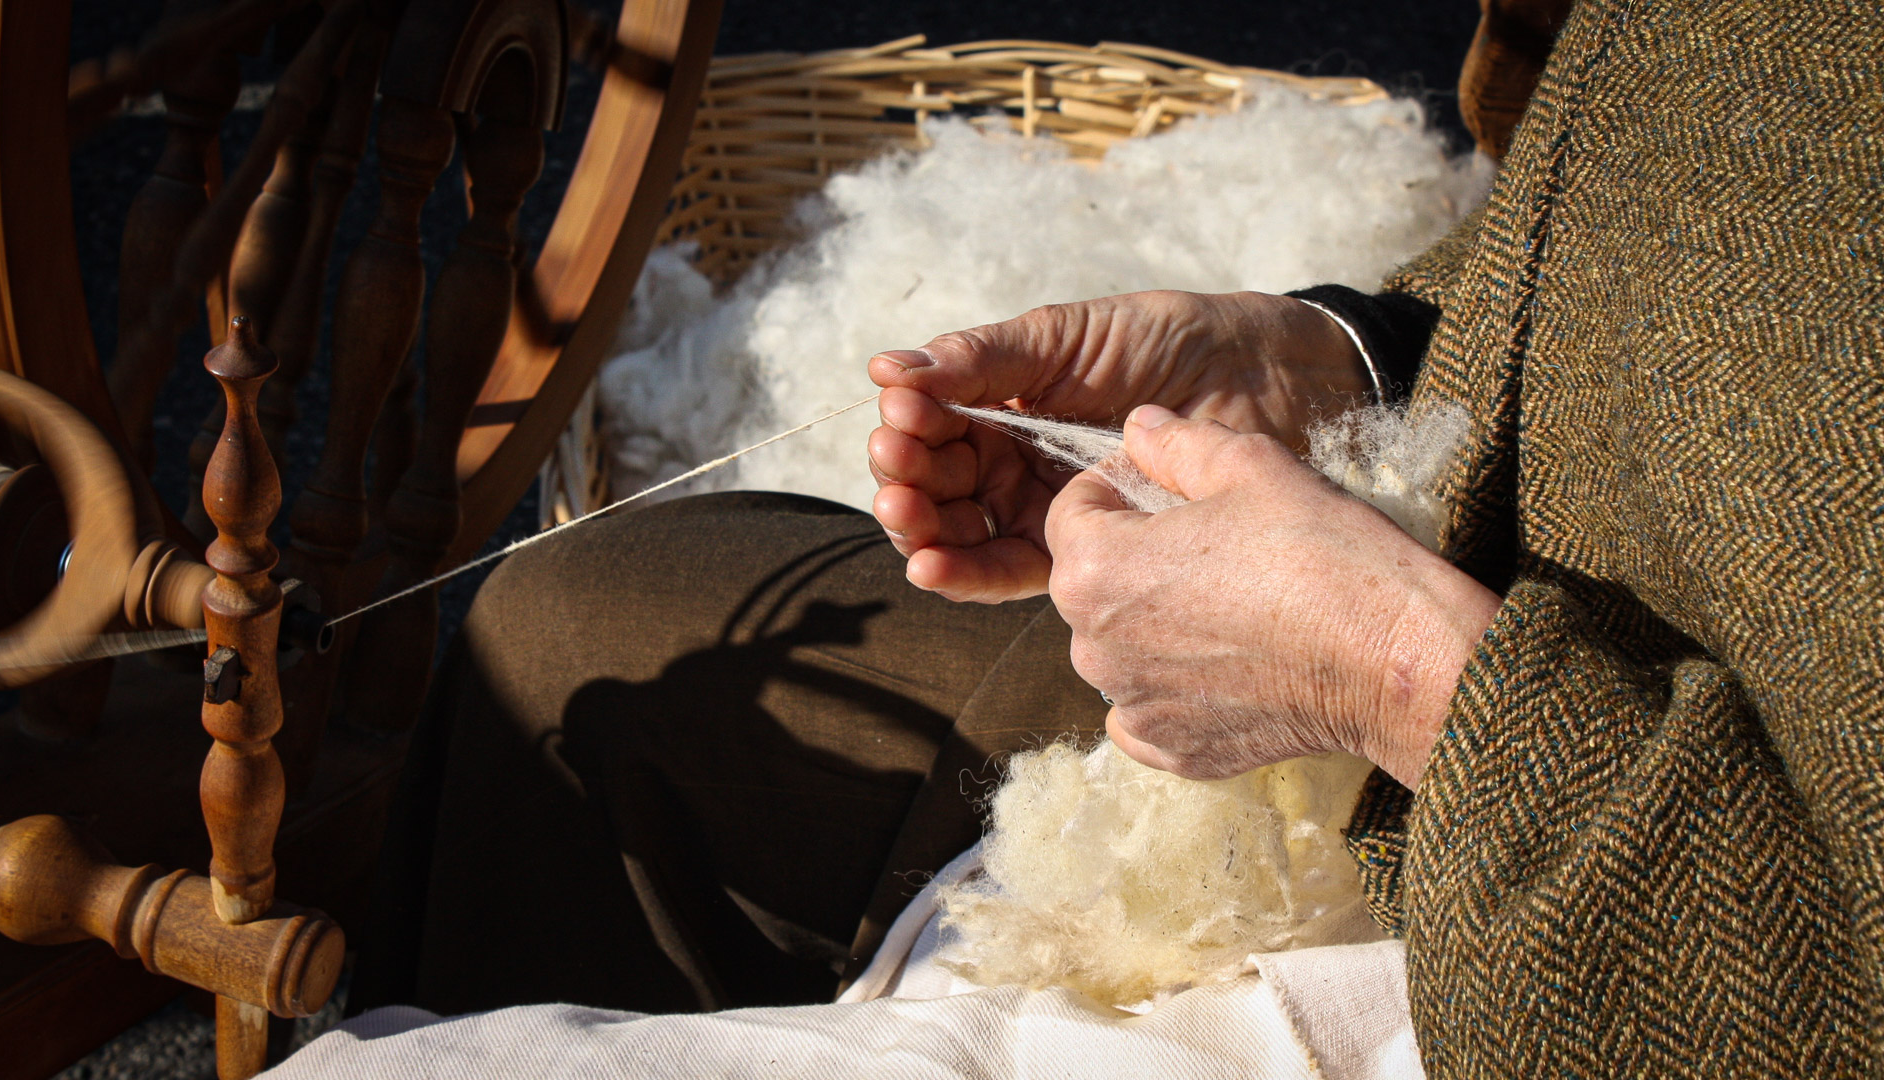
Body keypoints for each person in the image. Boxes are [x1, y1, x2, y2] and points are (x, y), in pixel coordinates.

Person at [336, 0, 1881, 1075]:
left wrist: (1397, 677)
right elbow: (1633, 203)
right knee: (580, 614)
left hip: (1562, 910)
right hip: (1513, 640)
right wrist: (1346, 363)